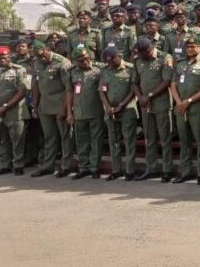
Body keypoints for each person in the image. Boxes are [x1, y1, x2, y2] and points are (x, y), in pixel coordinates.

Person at [169, 36, 200, 185]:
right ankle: (186, 171)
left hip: (197, 107)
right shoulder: (180, 63)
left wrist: (189, 101)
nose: (190, 48)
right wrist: (179, 102)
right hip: (180, 107)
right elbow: (173, 84)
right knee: (184, 141)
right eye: (188, 46)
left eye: (194, 46)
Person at [132, 38, 175, 182]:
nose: (144, 56)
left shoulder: (165, 58)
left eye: (146, 53)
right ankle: (151, 168)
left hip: (161, 103)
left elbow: (167, 81)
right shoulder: (138, 60)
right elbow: (134, 82)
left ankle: (167, 169)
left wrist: (149, 96)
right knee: (149, 138)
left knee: (165, 138)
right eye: (141, 54)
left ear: (151, 49)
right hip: (145, 105)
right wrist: (141, 98)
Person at [0, 47, 29, 176]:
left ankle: (18, 164)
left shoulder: (19, 70)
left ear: (9, 57)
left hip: (14, 111)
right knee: (0, 139)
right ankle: (4, 165)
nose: (2, 60)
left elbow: (22, 91)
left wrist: (5, 106)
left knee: (17, 139)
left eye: (5, 57)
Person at [29, 41, 73, 178]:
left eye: (43, 55)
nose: (42, 59)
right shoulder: (36, 62)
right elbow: (35, 84)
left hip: (60, 102)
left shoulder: (62, 62)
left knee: (65, 136)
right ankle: (47, 165)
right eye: (38, 57)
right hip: (45, 104)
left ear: (48, 49)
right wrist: (35, 104)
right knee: (49, 136)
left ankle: (66, 166)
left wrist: (65, 109)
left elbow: (68, 88)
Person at [99, 47, 138, 181]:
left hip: (127, 109)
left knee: (129, 141)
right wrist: (108, 106)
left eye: (112, 60)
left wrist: (121, 105)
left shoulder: (130, 69)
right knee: (113, 141)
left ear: (119, 56)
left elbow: (133, 90)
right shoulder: (105, 71)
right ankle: (116, 170)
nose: (110, 64)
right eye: (107, 62)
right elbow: (102, 90)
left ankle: (130, 170)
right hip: (110, 111)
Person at [65, 48, 104, 180]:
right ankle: (83, 168)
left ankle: (94, 168)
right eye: (81, 61)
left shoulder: (99, 69)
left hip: (95, 111)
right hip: (79, 112)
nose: (85, 62)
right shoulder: (72, 72)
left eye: (87, 58)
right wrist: (69, 113)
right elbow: (69, 93)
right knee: (81, 141)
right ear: (76, 62)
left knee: (96, 141)